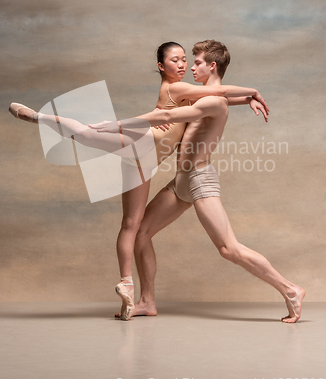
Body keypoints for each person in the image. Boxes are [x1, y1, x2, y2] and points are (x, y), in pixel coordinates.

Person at [9, 41, 269, 320]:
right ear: (161, 67)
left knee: (132, 225)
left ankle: (130, 288)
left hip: (146, 161)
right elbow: (220, 91)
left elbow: (217, 100)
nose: (183, 65)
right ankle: (40, 117)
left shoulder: (189, 94)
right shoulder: (175, 87)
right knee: (86, 135)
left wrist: (246, 100)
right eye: (175, 61)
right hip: (142, 143)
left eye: (185, 60)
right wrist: (253, 92)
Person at [92, 40, 304, 323]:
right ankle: (147, 301)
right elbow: (220, 98)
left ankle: (290, 289)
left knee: (229, 249)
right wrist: (247, 98)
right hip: (182, 180)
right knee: (141, 232)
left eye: (197, 63)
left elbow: (169, 113)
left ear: (212, 66)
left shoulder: (211, 100)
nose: (189, 67)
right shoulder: (204, 97)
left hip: (200, 180)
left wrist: (117, 124)